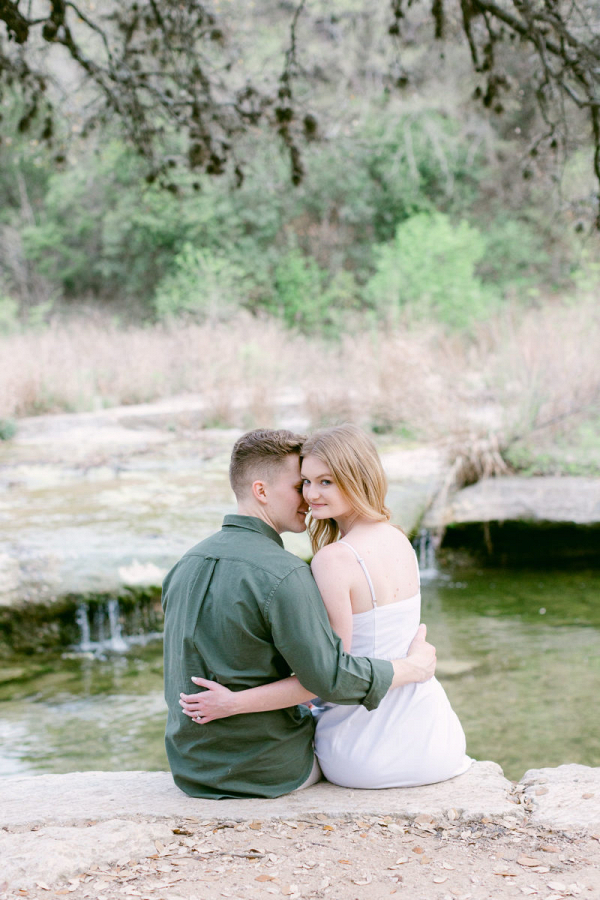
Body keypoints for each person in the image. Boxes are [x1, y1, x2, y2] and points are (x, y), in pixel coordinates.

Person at [180, 424, 471, 789]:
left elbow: (331, 678)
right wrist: (413, 668)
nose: (311, 495)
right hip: (436, 740)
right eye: (305, 482)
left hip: (367, 751)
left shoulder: (334, 560)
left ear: (355, 478)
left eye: (326, 482)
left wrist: (234, 703)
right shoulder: (399, 538)